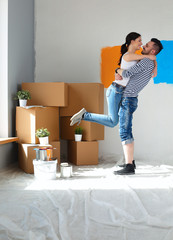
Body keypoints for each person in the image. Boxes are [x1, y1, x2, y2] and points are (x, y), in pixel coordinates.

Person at [70, 32, 156, 128]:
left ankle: (84, 115)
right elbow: (148, 57)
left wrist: (155, 65)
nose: (141, 43)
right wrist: (151, 58)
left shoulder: (135, 57)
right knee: (113, 121)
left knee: (113, 121)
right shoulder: (128, 55)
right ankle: (84, 115)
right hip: (116, 90)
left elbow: (149, 58)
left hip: (121, 91)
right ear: (132, 41)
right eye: (139, 40)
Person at [114, 38, 163, 175]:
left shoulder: (146, 61)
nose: (143, 46)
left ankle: (129, 166)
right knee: (126, 130)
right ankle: (130, 162)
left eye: (147, 45)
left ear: (152, 51)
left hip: (128, 99)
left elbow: (127, 73)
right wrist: (155, 62)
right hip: (131, 98)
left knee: (125, 131)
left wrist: (117, 69)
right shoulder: (149, 61)